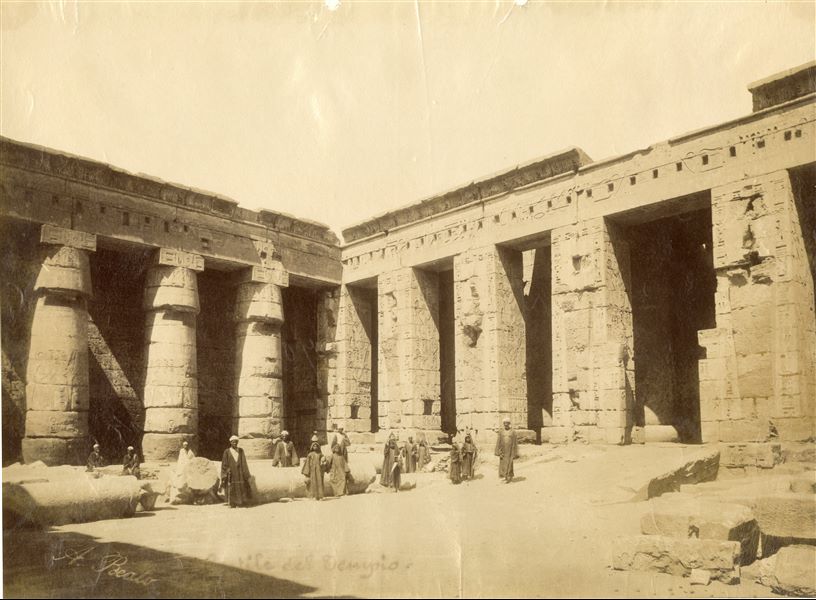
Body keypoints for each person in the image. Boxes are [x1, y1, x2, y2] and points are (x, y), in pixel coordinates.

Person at [220, 435, 252, 507]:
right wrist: (226, 470)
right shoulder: (227, 451)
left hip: (239, 472)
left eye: (236, 442)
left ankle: (240, 502)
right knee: (232, 487)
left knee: (241, 486)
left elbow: (243, 461)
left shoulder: (241, 450)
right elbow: (224, 463)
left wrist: (245, 472)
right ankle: (232, 503)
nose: (235, 443)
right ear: (230, 442)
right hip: (231, 472)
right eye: (233, 442)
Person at [494, 417, 519, 483]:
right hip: (503, 450)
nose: (506, 425)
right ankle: (504, 476)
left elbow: (515, 442)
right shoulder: (501, 432)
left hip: (510, 450)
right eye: (504, 423)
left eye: (507, 423)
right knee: (503, 464)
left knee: (509, 463)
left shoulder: (513, 432)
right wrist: (497, 450)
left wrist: (515, 452)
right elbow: (498, 441)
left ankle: (508, 477)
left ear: (509, 424)